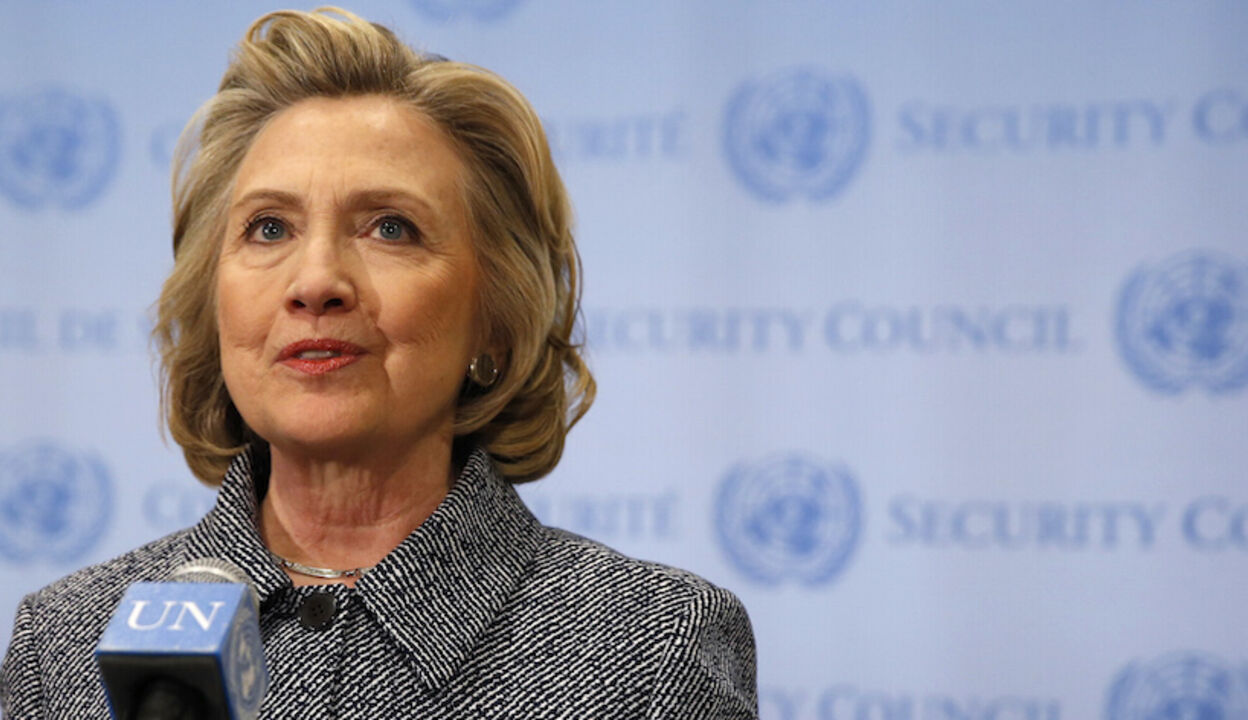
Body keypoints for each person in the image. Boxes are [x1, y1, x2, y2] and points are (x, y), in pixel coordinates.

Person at [0, 7, 757, 718]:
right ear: (213, 299)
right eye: (268, 228)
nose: (316, 281)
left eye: (389, 227)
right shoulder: (65, 643)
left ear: (496, 322)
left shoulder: (650, 646)